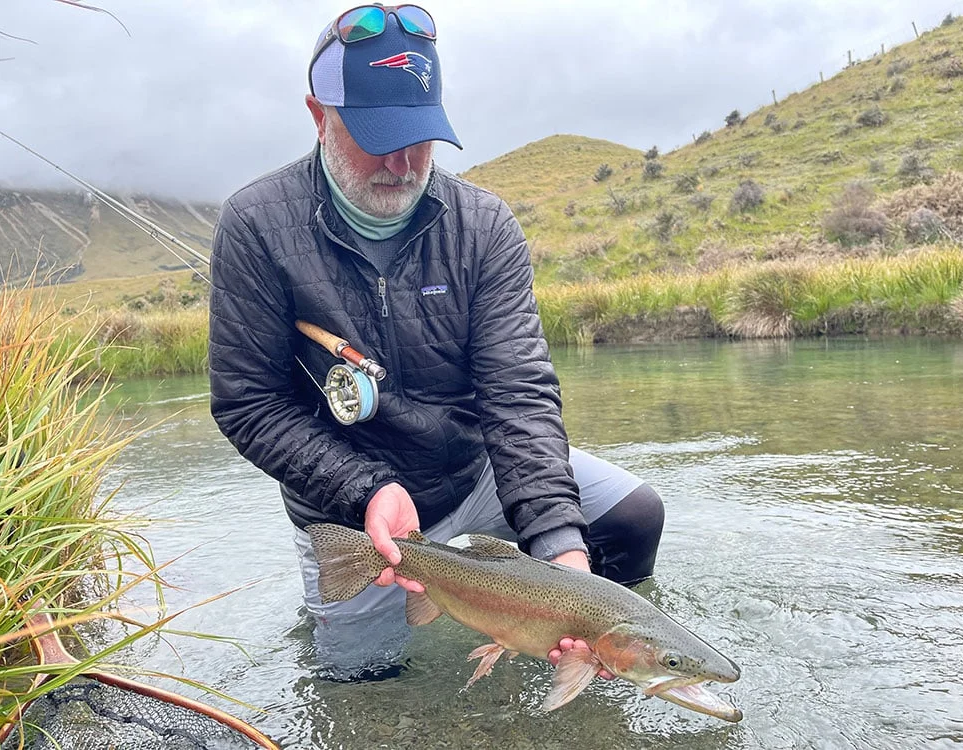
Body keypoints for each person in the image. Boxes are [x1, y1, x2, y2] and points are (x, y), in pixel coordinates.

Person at [208, 3, 664, 679]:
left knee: (632, 516)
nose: (404, 160)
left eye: (420, 134)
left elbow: (519, 395)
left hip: (474, 473)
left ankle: (592, 670)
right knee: (363, 687)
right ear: (318, 114)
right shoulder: (255, 225)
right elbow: (247, 405)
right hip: (352, 509)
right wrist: (365, 490)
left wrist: (568, 569)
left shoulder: (484, 226)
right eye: (377, 133)